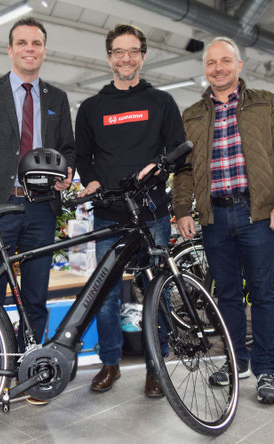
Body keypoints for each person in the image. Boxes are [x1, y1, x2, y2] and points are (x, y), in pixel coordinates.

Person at [0, 17, 76, 415]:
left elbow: (68, 149)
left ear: (44, 49)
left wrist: (68, 172)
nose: (29, 48)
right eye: (21, 42)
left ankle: (32, 374)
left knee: (36, 298)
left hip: (42, 209)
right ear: (10, 50)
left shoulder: (57, 98)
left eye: (36, 43)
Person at [173, 37, 274, 405]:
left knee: (263, 294)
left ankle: (266, 371)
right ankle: (235, 361)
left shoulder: (265, 103)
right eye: (211, 63)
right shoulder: (193, 114)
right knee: (226, 295)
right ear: (205, 69)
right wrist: (183, 209)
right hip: (214, 215)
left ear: (239, 65)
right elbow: (183, 168)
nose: (218, 68)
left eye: (225, 61)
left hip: (257, 213)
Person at [75, 24, 185, 397]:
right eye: (118, 51)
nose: (126, 58)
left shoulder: (162, 103)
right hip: (108, 214)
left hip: (152, 214)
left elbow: (177, 150)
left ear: (143, 55)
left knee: (158, 291)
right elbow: (83, 158)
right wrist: (89, 180)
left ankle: (157, 366)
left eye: (133, 51)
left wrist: (158, 167)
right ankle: (110, 363)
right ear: (109, 57)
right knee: (104, 294)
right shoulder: (92, 108)